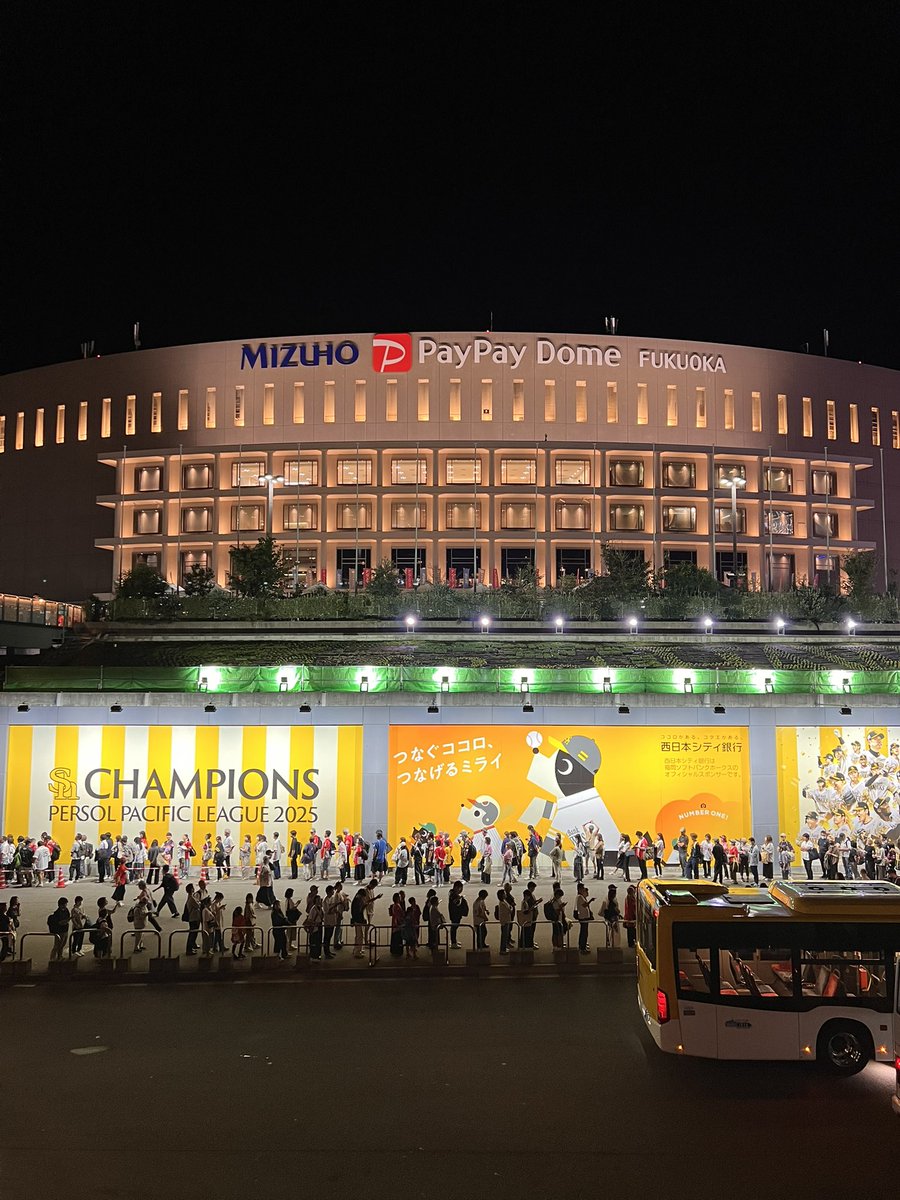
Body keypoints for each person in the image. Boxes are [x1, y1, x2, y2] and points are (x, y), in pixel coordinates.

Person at [448, 880, 467, 949]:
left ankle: (454, 941)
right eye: (461, 888)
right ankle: (453, 942)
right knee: (454, 927)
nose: (461, 890)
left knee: (454, 927)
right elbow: (457, 903)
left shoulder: (452, 893)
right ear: (457, 887)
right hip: (455, 914)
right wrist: (461, 899)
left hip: (454, 913)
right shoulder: (453, 895)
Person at [574, 883, 593, 954]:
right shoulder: (579, 897)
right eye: (582, 888)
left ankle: (583, 945)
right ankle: (582, 947)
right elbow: (585, 905)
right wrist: (590, 901)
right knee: (584, 932)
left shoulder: (581, 896)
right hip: (583, 917)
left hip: (584, 916)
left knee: (584, 932)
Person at [304, 894, 324, 959]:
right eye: (318, 900)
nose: (319, 901)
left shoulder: (320, 908)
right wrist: (315, 923)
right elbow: (310, 919)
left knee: (319, 941)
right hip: (315, 927)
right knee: (314, 941)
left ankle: (318, 954)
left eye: (319, 900)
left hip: (319, 926)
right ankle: (313, 955)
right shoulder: (313, 909)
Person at [183, 884, 201, 955]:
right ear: (191, 889)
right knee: (192, 934)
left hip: (193, 917)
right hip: (193, 918)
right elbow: (197, 905)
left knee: (194, 933)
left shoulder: (190, 897)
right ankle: (189, 949)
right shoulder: (192, 898)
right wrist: (199, 902)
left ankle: (193, 945)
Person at [350, 888, 368, 958]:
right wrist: (364, 906)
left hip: (356, 919)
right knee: (360, 935)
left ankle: (357, 949)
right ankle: (358, 952)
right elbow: (359, 911)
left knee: (358, 935)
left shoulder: (356, 898)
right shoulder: (358, 900)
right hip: (358, 920)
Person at [495, 888, 513, 955]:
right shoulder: (502, 903)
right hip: (505, 921)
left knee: (505, 935)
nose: (505, 894)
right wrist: (511, 908)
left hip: (506, 920)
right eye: (504, 893)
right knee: (504, 936)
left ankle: (504, 948)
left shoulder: (504, 901)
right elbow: (509, 910)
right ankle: (502, 950)